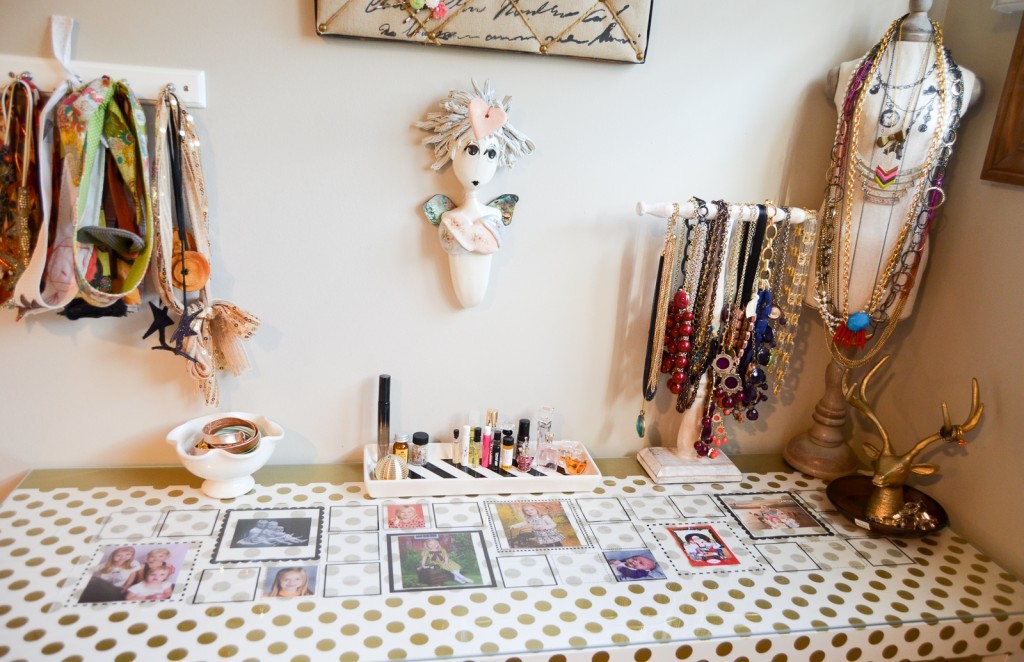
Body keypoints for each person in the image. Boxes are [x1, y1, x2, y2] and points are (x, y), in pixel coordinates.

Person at [417, 79, 535, 307]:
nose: (480, 162)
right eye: (472, 151)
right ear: (453, 150)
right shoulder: (451, 219)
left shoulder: (492, 216)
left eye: (491, 154)